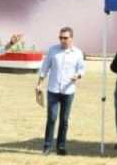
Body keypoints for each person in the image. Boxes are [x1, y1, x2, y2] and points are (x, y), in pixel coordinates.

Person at [36, 27, 86, 155]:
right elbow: (45, 67)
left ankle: (61, 146)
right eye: (61, 38)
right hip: (53, 89)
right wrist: (39, 84)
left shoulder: (77, 53)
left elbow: (82, 69)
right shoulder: (53, 50)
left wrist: (77, 76)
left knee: (64, 120)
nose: (62, 40)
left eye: (65, 38)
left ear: (71, 38)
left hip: (68, 90)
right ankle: (47, 146)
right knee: (52, 118)